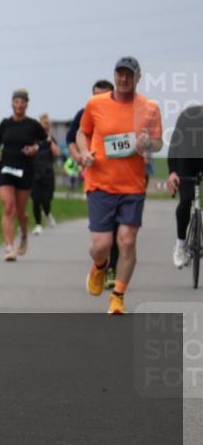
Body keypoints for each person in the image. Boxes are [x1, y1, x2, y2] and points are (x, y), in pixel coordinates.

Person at [76, 57, 162, 315]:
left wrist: (147, 143)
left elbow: (158, 143)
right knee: (101, 245)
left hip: (132, 186)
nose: (123, 79)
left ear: (137, 78)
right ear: (114, 76)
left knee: (127, 240)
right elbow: (83, 133)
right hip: (100, 182)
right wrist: (84, 152)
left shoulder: (149, 108)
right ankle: (100, 265)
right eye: (119, 74)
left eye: (129, 75)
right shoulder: (95, 104)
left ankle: (118, 296)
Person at [67, 79, 119, 286]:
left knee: (118, 228)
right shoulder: (84, 114)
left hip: (119, 177)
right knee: (104, 232)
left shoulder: (121, 113)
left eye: (104, 95)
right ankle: (101, 260)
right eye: (96, 95)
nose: (99, 99)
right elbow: (72, 139)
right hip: (94, 176)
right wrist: (79, 155)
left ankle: (113, 269)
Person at [0, 89, 47, 261]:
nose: (19, 105)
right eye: (16, 101)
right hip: (5, 168)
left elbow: (45, 140)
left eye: (22, 102)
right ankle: (9, 247)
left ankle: (23, 234)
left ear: (26, 104)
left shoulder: (32, 124)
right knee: (9, 207)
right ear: (12, 103)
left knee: (20, 211)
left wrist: (34, 148)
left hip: (25, 170)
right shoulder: (5, 123)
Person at [166, 104, 203, 268]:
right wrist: (172, 172)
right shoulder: (189, 115)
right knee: (186, 199)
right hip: (187, 162)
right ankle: (181, 245)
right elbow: (174, 144)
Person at [31, 113, 61, 235]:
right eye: (43, 126)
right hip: (34, 172)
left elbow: (57, 153)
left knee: (47, 199)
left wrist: (49, 139)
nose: (45, 129)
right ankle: (38, 224)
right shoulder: (34, 138)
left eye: (47, 127)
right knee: (36, 200)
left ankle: (47, 213)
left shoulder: (50, 139)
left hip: (47, 172)